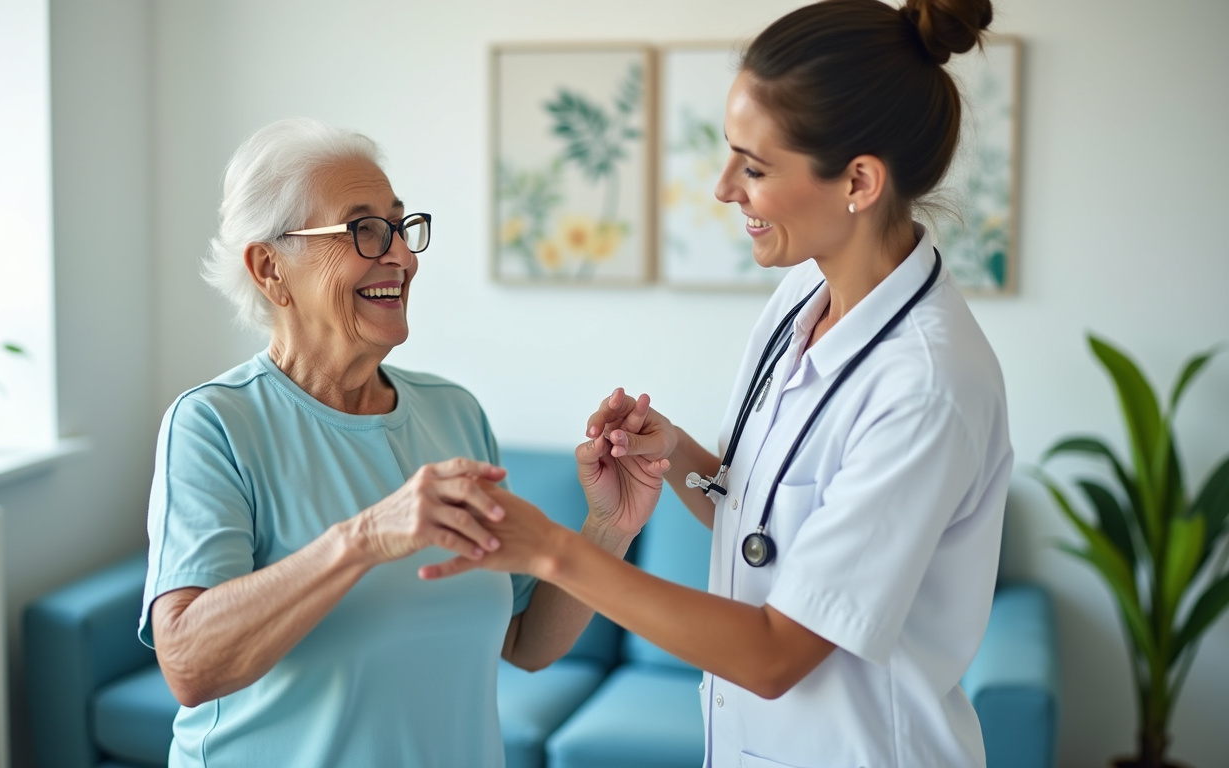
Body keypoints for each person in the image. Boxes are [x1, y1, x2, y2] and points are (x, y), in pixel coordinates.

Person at [424, 0, 1011, 765]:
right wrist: (676, 457)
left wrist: (551, 552)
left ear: (859, 181)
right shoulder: (801, 299)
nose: (724, 187)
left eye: (754, 167)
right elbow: (770, 531)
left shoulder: (926, 388)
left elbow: (774, 655)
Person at [139, 118, 642, 767]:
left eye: (401, 227)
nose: (403, 256)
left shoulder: (455, 413)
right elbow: (189, 665)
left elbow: (525, 641)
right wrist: (366, 538)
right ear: (270, 268)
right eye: (364, 230)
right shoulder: (214, 425)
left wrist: (608, 526)